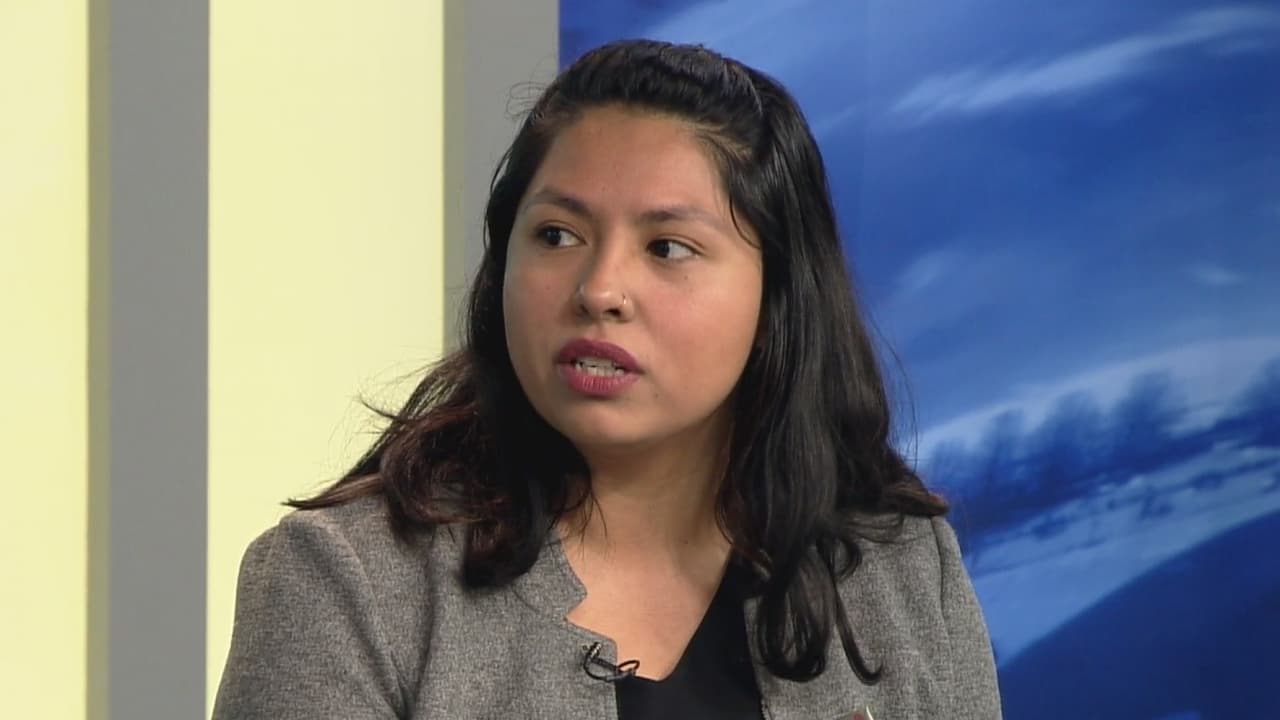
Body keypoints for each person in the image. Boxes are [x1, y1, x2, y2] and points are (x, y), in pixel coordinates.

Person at [212, 39, 1002, 719]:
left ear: (777, 302)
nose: (599, 290)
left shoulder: (898, 565)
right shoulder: (345, 582)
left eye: (667, 248)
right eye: (557, 235)